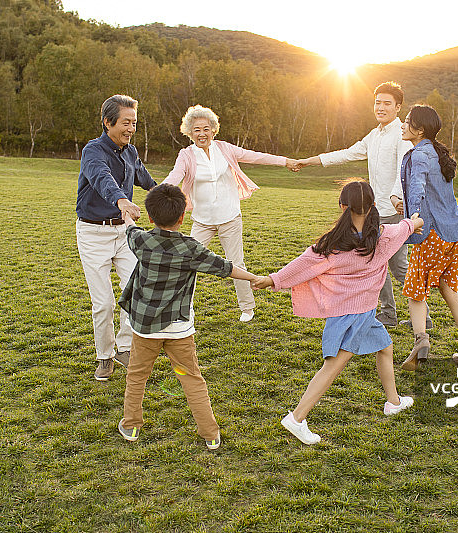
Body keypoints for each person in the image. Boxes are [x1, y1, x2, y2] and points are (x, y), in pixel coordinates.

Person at [253, 181, 424, 445]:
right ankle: (296, 419)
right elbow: (409, 227)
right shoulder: (385, 236)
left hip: (362, 314)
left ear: (343, 206)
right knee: (332, 368)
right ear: (374, 206)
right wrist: (414, 220)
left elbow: (301, 266)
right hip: (352, 316)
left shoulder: (331, 244)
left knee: (385, 347)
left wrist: (272, 279)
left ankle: (393, 402)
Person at [117, 183, 260, 450]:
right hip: (179, 331)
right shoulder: (192, 248)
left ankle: (131, 425)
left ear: (150, 217)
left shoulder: (142, 241)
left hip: (145, 329)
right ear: (183, 216)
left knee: (137, 376)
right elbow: (227, 268)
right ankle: (210, 433)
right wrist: (256, 278)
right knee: (191, 378)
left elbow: (129, 228)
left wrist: (125, 209)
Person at [295, 82, 431, 329]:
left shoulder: (400, 134)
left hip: (395, 214)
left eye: (387, 103)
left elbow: (405, 166)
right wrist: (310, 161)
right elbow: (346, 153)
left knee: (399, 267)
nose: (381, 107)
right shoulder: (374, 134)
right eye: (378, 102)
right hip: (374, 213)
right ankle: (388, 313)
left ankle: (424, 317)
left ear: (398, 107)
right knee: (374, 262)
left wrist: (396, 197)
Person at [163, 104, 299, 323]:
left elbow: (256, 157)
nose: (202, 134)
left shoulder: (224, 149)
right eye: (197, 129)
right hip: (203, 220)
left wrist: (286, 161)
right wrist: (159, 194)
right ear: (189, 132)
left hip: (230, 217)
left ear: (213, 130)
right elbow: (174, 175)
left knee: (236, 264)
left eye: (206, 129)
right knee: (188, 262)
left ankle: (247, 307)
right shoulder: (186, 155)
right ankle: (184, 308)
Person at [394, 105, 458, 371]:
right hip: (456, 233)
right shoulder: (438, 153)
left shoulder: (419, 155)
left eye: (407, 122)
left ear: (419, 130)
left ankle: (421, 344)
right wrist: (405, 205)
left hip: (431, 234)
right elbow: (433, 193)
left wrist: (412, 219)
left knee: (415, 292)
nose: (403, 125)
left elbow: (418, 188)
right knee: (448, 289)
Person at [76, 94, 156, 382]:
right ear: (108, 122)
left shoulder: (131, 152)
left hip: (123, 232)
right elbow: (102, 178)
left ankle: (124, 347)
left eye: (134, 123)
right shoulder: (93, 151)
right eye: (126, 123)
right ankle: (104, 356)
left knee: (135, 292)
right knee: (105, 303)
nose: (131, 128)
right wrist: (122, 201)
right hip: (93, 233)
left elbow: (146, 180)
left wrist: (169, 196)